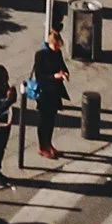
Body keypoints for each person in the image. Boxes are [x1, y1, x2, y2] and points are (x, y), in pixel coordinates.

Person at [28, 23, 69, 162]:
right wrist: (54, 77)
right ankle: (42, 147)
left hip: (54, 92)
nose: (58, 49)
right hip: (44, 93)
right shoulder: (41, 55)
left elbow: (62, 65)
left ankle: (49, 144)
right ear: (51, 43)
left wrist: (65, 73)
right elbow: (40, 77)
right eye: (56, 46)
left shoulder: (57, 53)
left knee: (51, 121)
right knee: (43, 121)